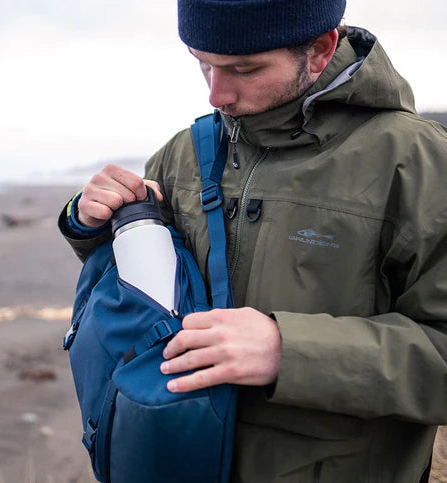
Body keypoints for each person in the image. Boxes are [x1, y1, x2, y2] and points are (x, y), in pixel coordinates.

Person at [58, 1, 447, 481]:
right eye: (203, 63)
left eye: (244, 68)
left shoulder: (420, 162)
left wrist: (289, 350)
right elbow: (140, 295)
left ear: (321, 49)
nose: (216, 94)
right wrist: (95, 224)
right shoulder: (184, 154)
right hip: (179, 462)